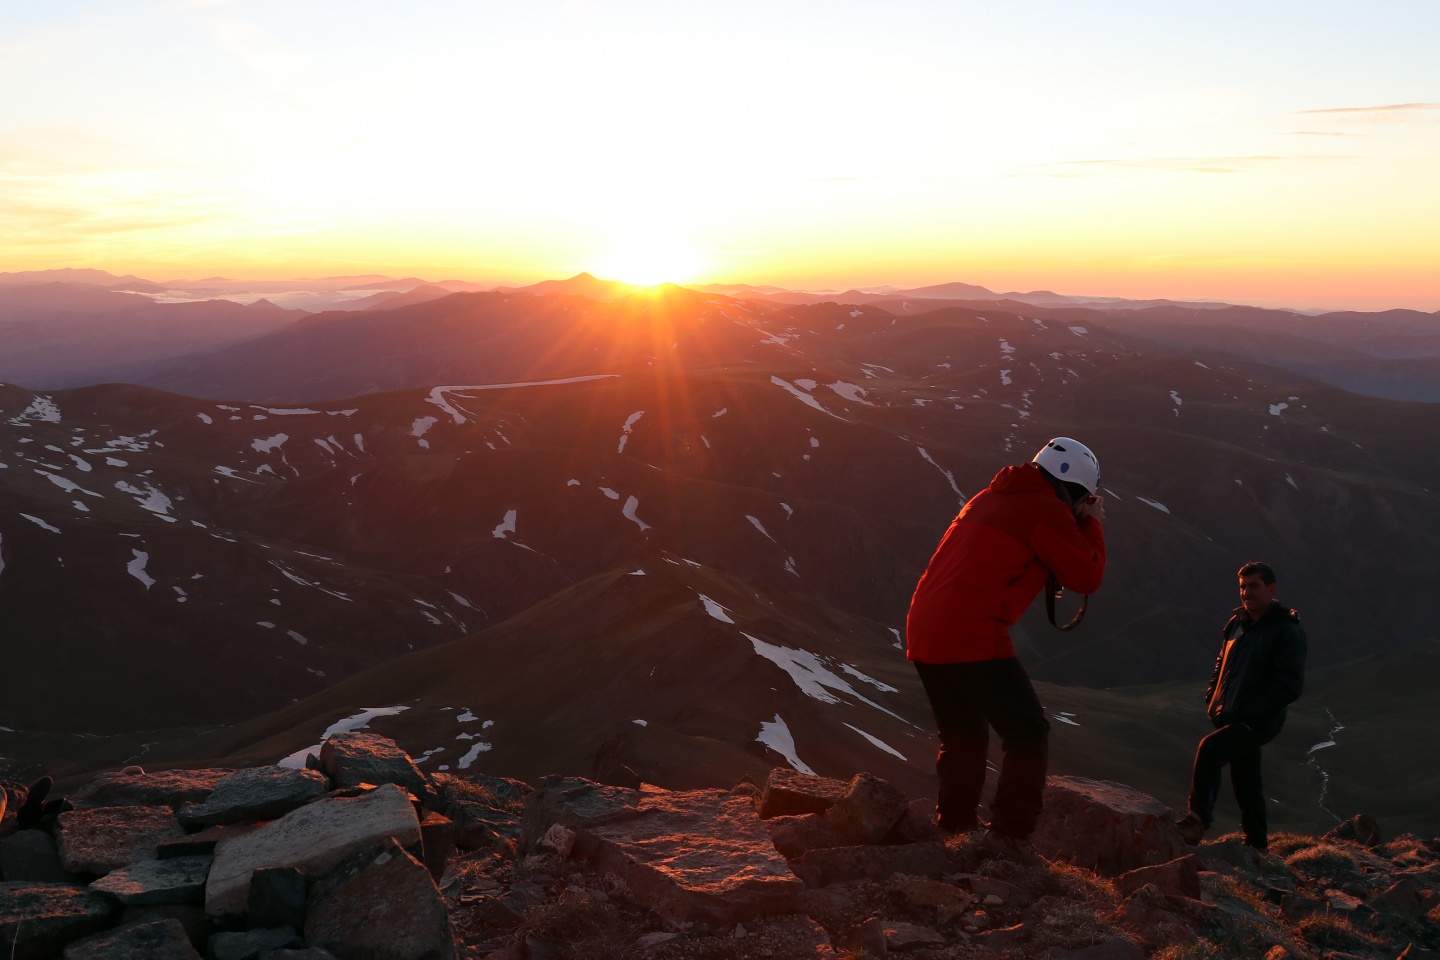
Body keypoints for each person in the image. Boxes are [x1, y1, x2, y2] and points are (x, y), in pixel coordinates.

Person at [906, 437, 1106, 860]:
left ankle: (954, 827)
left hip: (924, 627)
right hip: (972, 630)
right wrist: (1092, 523)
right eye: (1086, 499)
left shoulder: (987, 497)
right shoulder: (1046, 510)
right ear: (1076, 490)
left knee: (963, 735)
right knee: (1027, 732)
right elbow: (1086, 576)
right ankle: (1010, 836)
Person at [1175, 561, 1306, 850]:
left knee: (1209, 749)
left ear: (1271, 589)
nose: (1247, 592)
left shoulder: (1286, 630)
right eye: (1243, 587)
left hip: (1260, 720)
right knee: (1246, 776)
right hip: (1233, 715)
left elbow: (1290, 686)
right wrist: (1214, 697)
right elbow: (1222, 663)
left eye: (1254, 586)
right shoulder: (1237, 623)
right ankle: (1257, 842)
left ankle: (1197, 822)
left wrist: (1252, 709)